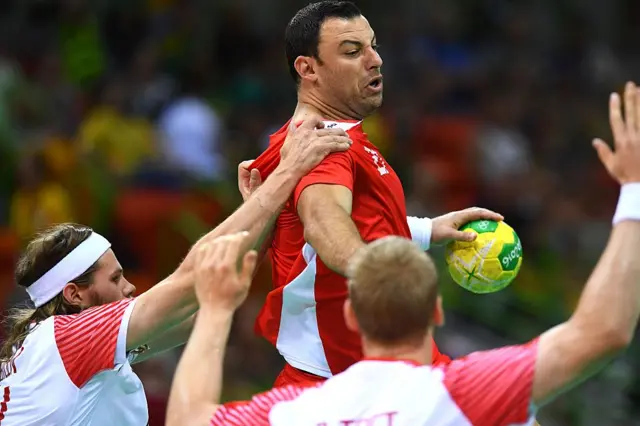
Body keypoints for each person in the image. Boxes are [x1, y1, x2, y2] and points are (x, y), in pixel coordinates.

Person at [166, 81, 640, 425]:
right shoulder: (467, 393)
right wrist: (634, 189)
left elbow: (188, 418)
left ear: (353, 315)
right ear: (436, 311)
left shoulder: (294, 411)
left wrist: (215, 308)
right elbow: (603, 331)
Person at [0, 118, 351, 426]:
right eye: (115, 278)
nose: (130, 286)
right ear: (73, 294)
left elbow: (197, 310)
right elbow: (190, 281)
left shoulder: (54, 347)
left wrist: (265, 219)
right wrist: (287, 175)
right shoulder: (71, 336)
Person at [246, 0, 502, 387]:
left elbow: (354, 222)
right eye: (352, 51)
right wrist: (393, 281)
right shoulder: (317, 143)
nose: (375, 60)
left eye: (373, 46)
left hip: (389, 363)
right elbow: (323, 223)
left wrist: (425, 230)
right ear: (308, 68)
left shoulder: (341, 134)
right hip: (346, 380)